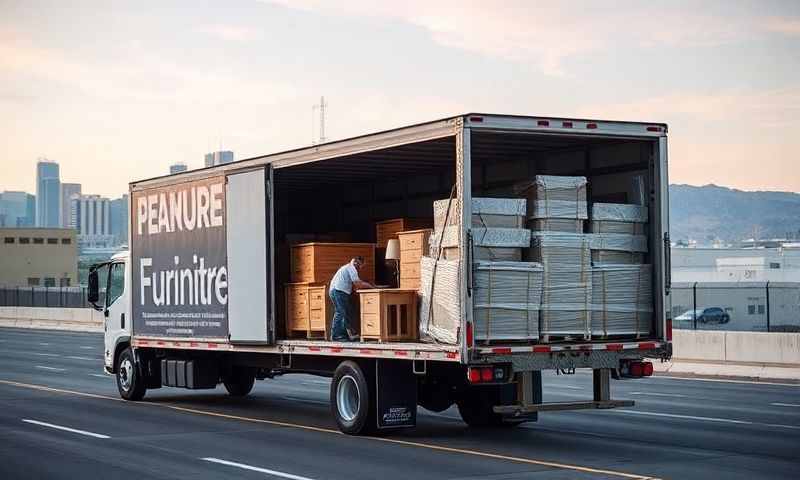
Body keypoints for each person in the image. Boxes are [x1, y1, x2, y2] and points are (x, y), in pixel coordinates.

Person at [329, 256, 374, 341]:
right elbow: (358, 284)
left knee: (344, 312)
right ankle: (336, 336)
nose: (360, 268)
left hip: (336, 290)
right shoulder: (352, 268)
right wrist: (371, 286)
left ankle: (343, 335)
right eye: (361, 266)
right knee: (341, 312)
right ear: (358, 263)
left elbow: (353, 285)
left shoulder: (347, 267)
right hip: (339, 291)